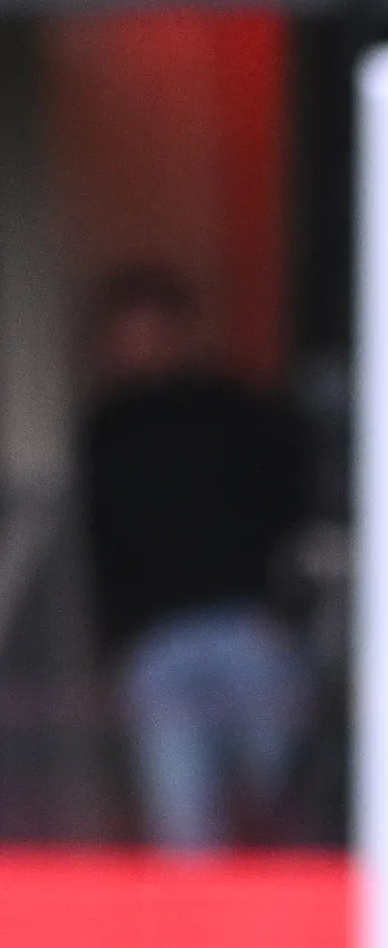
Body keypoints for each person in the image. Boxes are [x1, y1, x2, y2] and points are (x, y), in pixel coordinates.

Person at [80, 265, 309, 852]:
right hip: (156, 644)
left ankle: (291, 933)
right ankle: (198, 942)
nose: (139, 349)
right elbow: (100, 547)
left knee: (281, 797)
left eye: (150, 333)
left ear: (179, 334)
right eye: (128, 337)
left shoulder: (235, 411)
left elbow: (291, 505)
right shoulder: (104, 431)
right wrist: (115, 644)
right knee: (183, 824)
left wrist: (281, 608)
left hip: (246, 624)